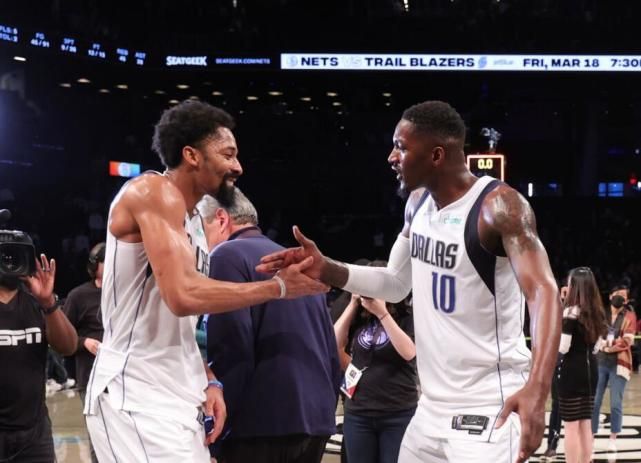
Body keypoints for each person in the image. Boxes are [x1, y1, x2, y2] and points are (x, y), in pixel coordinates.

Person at [258, 100, 562, 462]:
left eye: (401, 147)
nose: (391, 157)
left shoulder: (499, 207)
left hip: (488, 403)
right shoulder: (417, 204)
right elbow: (395, 282)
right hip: (430, 406)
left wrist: (538, 387)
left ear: (436, 155)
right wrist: (325, 268)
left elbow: (544, 292)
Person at [84, 100, 329, 463]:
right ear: (192, 155)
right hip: (134, 392)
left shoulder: (196, 220)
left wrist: (208, 377)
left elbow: (179, 326)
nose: (238, 166)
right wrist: (278, 287)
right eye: (228, 154)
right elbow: (182, 296)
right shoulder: (152, 191)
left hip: (179, 394)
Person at [197, 189, 341, 463]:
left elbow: (230, 348)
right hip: (316, 422)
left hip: (258, 426)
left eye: (200, 228)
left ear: (221, 219)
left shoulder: (225, 255)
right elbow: (329, 349)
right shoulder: (294, 262)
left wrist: (218, 433)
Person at [334, 260, 418, 463]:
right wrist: (353, 304)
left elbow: (409, 352)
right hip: (358, 412)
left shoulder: (407, 316)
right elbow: (332, 343)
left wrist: (382, 313)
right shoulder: (360, 319)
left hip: (397, 412)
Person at [0, 253, 78, 462]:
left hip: (34, 435)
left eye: (14, 254)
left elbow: (68, 347)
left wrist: (48, 302)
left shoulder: (37, 305)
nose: (9, 262)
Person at [557, 267, 607, 463]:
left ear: (575, 286)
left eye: (570, 283)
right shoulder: (598, 313)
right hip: (591, 372)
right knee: (586, 423)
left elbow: (563, 347)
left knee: (570, 426)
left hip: (571, 371)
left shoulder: (570, 312)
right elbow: (597, 348)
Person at [63, 241, 106, 463]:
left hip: (126, 377)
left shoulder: (127, 294)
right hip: (91, 377)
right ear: (94, 265)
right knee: (99, 439)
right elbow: (62, 337)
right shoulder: (78, 296)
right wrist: (84, 342)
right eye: (106, 261)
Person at [591, 284, 637, 453]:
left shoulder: (630, 316)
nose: (620, 298)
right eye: (618, 294)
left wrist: (606, 345)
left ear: (626, 301)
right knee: (595, 402)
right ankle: (591, 436)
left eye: (624, 296)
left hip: (620, 364)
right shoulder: (601, 314)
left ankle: (613, 439)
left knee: (616, 403)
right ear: (610, 296)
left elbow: (627, 340)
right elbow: (594, 335)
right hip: (600, 363)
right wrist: (603, 344)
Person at [541, 284, 569, 462]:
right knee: (557, 406)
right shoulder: (553, 311)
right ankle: (552, 445)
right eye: (563, 292)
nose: (565, 295)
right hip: (557, 364)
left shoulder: (579, 312)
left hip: (574, 366)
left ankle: (583, 448)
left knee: (578, 410)